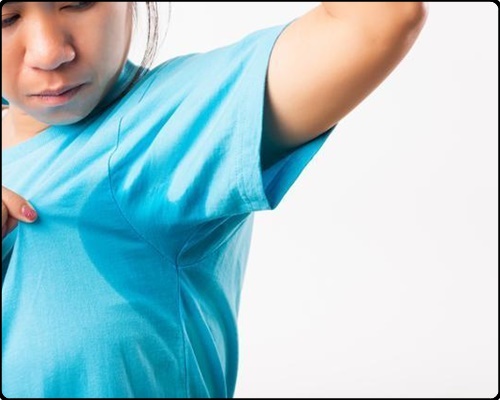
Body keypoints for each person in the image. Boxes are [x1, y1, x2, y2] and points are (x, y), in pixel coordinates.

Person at [1, 2, 428, 398]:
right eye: (6, 18)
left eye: (78, 1)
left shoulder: (163, 126)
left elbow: (382, 18)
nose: (49, 52)